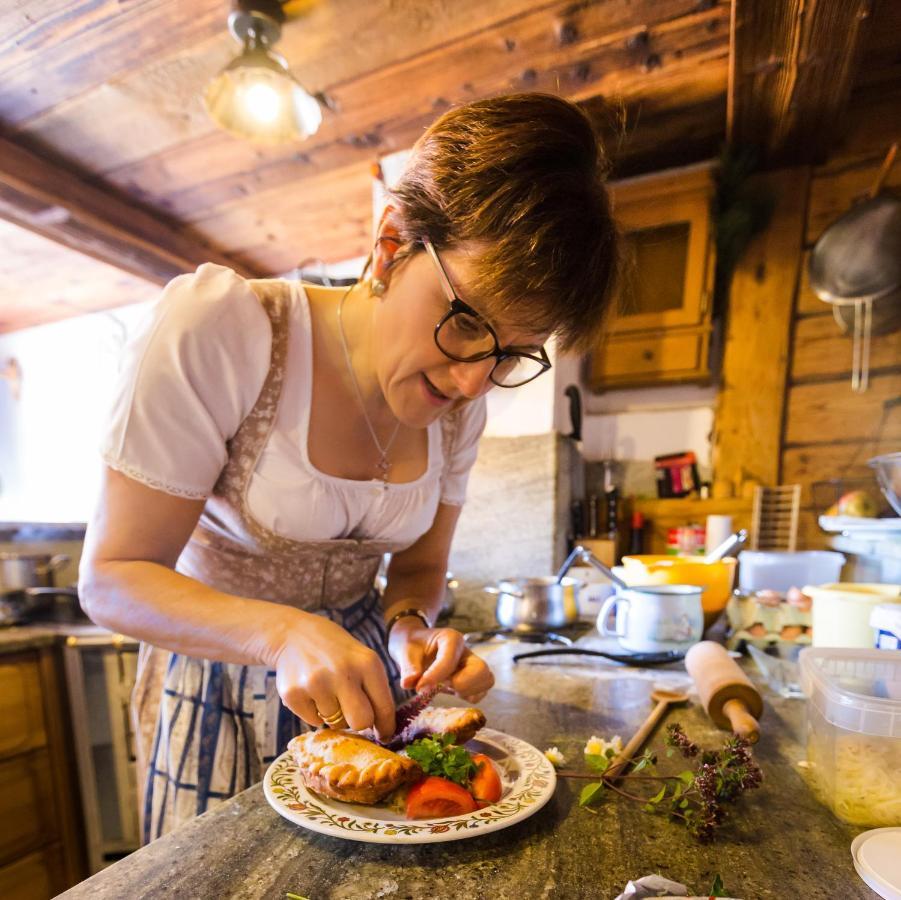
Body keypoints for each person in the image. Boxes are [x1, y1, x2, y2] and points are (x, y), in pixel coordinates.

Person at [78, 91, 619, 842]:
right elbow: (111, 577)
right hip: (221, 692)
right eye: (466, 321)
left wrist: (407, 630)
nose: (471, 382)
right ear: (392, 243)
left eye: (512, 354)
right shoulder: (226, 329)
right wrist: (279, 636)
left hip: (371, 700)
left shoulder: (462, 402)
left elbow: (419, 570)